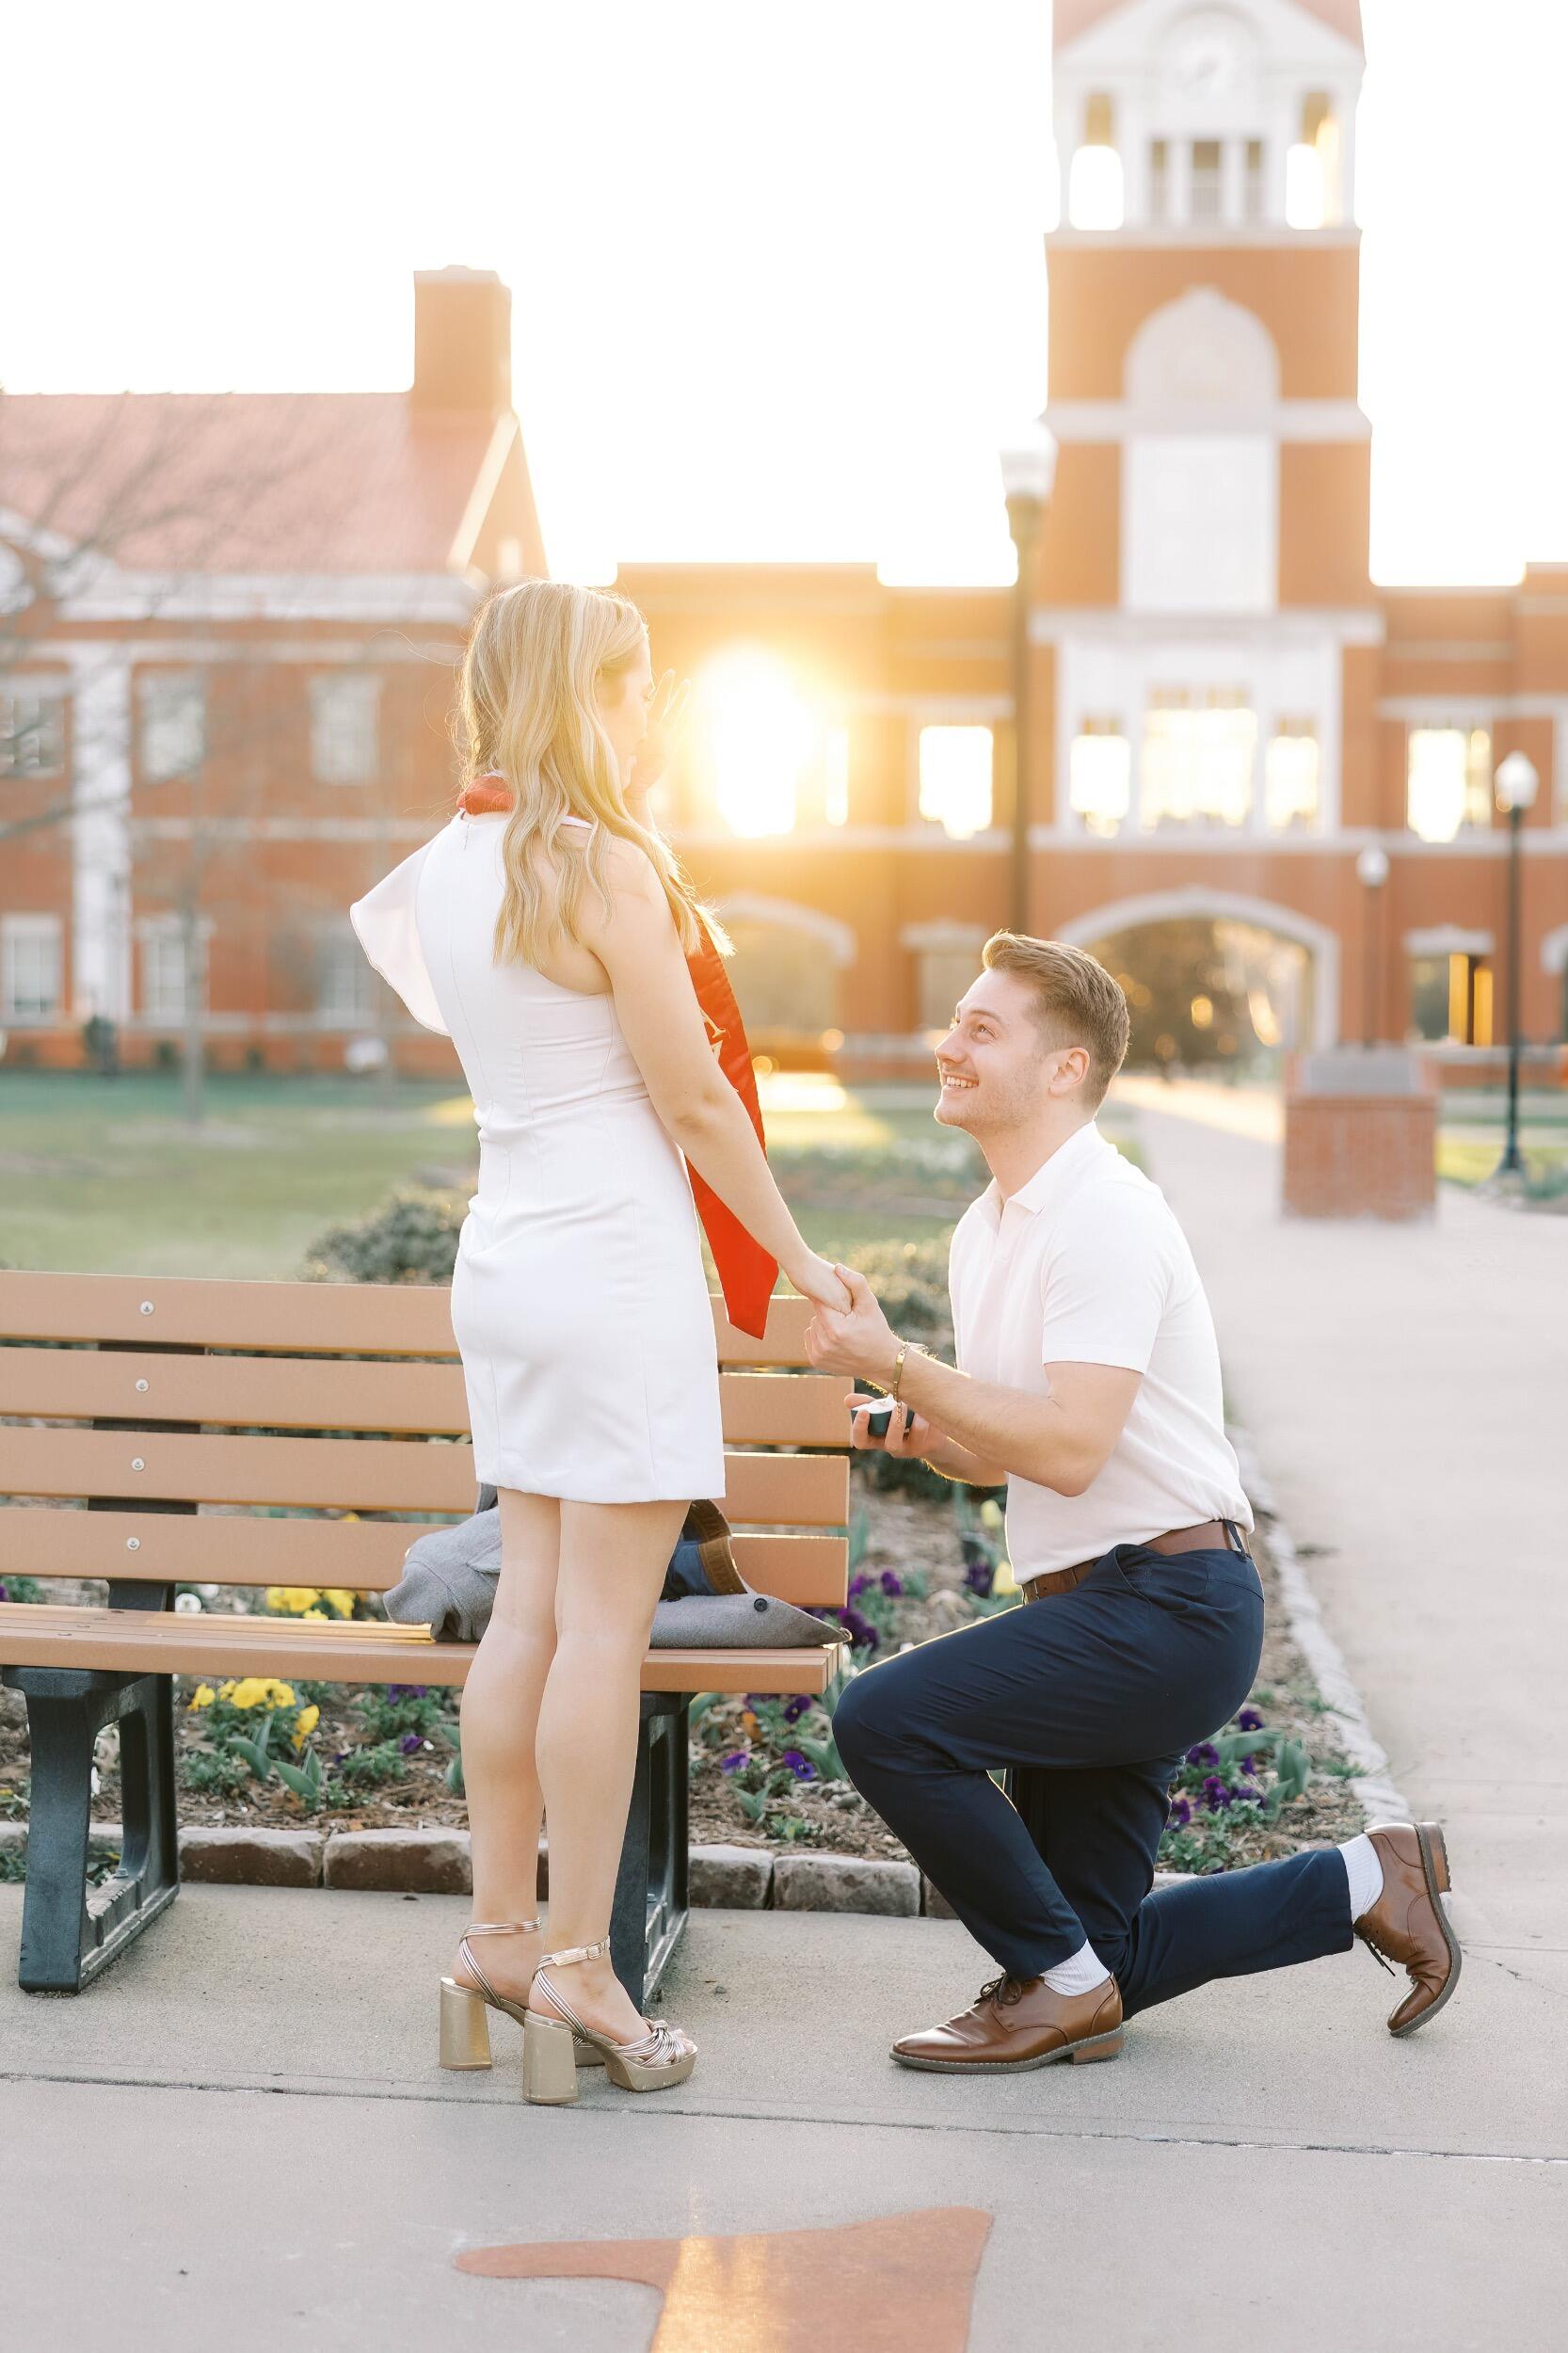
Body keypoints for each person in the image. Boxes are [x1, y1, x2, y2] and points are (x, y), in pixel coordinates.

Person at [350, 579, 849, 2104]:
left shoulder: (439, 868)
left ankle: (495, 1938)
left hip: (504, 1259)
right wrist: (801, 1259)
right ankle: (577, 1969)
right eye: (631, 688)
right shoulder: (602, 866)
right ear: (580, 695)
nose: (650, 712)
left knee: (527, 1616)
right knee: (602, 1637)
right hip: (615, 1268)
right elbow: (690, 1100)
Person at [804, 934, 1460, 2072]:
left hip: (1168, 1609)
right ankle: (1370, 1876)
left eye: (981, 1028)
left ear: (1064, 1069)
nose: (946, 1045)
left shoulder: (1104, 1213)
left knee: (883, 1719)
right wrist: (916, 1427)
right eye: (955, 1022)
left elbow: (1068, 1448)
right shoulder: (987, 1229)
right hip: (1098, 1605)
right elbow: (1011, 1442)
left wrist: (901, 1361)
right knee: (1099, 1951)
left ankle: (1050, 1987)